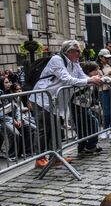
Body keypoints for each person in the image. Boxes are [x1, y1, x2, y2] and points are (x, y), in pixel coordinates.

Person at [30, 40, 103, 168]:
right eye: (77, 51)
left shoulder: (74, 63)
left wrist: (92, 80)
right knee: (44, 129)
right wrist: (90, 80)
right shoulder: (57, 60)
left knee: (56, 129)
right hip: (43, 99)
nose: (79, 53)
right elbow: (67, 79)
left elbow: (81, 76)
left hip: (56, 101)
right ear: (68, 51)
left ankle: (56, 156)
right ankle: (40, 158)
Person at [70, 62, 102, 156]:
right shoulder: (84, 79)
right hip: (77, 105)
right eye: (95, 70)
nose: (97, 72)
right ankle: (88, 147)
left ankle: (86, 147)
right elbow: (76, 90)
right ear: (89, 71)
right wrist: (90, 82)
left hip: (84, 105)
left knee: (86, 126)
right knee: (86, 126)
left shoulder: (90, 79)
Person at [96, 49, 111, 137]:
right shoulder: (97, 67)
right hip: (103, 90)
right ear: (100, 57)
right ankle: (106, 129)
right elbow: (99, 79)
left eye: (108, 58)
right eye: (105, 58)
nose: (107, 59)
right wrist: (109, 73)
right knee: (106, 112)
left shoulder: (109, 65)